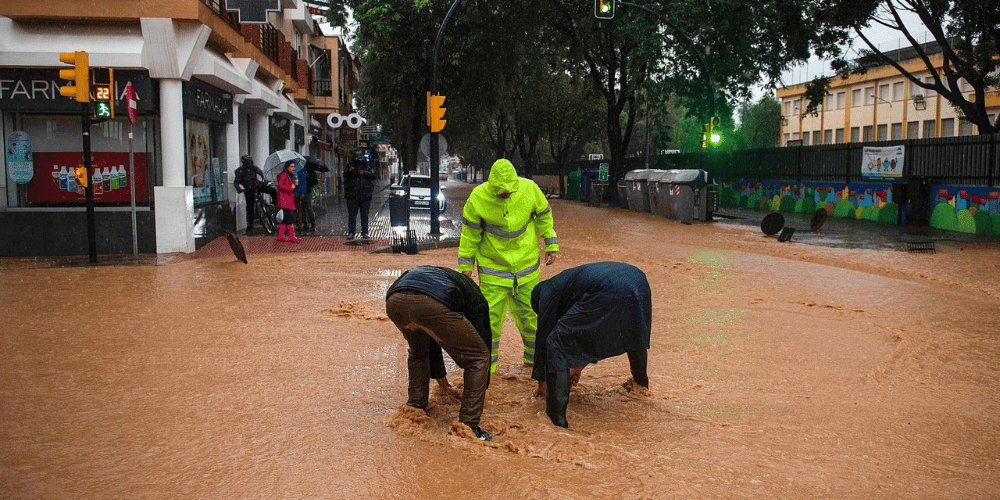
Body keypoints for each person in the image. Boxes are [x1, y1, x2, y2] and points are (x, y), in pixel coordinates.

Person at [458, 158, 559, 373]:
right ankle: (486, 370)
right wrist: (465, 266)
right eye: (500, 191)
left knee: (532, 319)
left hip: (527, 269)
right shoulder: (477, 198)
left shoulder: (529, 189)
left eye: (508, 191)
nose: (505, 194)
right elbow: (469, 235)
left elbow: (544, 216)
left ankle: (535, 364)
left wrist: (551, 243)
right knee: (489, 322)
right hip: (493, 273)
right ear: (491, 185)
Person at [530, 262, 652, 428]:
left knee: (555, 342)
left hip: (609, 287)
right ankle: (641, 388)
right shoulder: (566, 282)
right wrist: (578, 366)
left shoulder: (546, 293)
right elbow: (595, 331)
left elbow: (543, 339)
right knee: (633, 332)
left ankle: (555, 422)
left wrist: (542, 382)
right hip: (637, 280)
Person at [385, 266, 493, 441]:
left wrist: (442, 382)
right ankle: (468, 427)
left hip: (395, 301)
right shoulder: (477, 299)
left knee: (418, 353)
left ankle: (415, 408)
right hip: (430, 303)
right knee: (478, 358)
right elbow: (483, 339)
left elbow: (433, 336)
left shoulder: (446, 279)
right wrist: (484, 386)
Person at [233, 155, 276, 235]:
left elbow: (261, 173)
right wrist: (239, 189)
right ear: (244, 163)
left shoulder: (254, 168)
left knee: (272, 190)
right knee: (250, 208)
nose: (250, 164)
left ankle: (273, 204)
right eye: (248, 163)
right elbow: (236, 182)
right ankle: (250, 225)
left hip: (257, 186)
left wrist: (265, 180)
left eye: (251, 162)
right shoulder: (240, 171)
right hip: (249, 190)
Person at [343, 150, 376, 239]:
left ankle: (365, 232)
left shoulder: (367, 166)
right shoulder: (350, 166)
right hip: (352, 195)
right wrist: (354, 170)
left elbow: (373, 175)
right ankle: (351, 231)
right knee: (352, 215)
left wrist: (364, 172)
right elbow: (345, 174)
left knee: (364, 215)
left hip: (365, 195)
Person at [275, 160, 301, 243]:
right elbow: (280, 186)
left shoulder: (291, 175)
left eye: (294, 166)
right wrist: (291, 187)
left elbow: (292, 186)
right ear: (287, 167)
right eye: (291, 166)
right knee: (289, 219)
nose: (293, 168)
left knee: (285, 220)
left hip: (288, 201)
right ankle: (292, 236)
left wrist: (295, 183)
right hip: (284, 202)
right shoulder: (283, 175)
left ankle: (281, 236)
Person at [301, 160, 329, 232]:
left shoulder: (311, 172)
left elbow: (315, 182)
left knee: (308, 208)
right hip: (302, 192)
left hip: (308, 192)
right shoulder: (301, 171)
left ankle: (312, 224)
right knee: (303, 209)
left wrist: (309, 179)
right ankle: (305, 224)